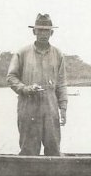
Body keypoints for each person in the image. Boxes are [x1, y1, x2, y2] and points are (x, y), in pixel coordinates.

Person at [6, 13, 68, 156]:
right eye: (39, 30)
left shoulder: (58, 54)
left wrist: (63, 108)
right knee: (28, 150)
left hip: (50, 108)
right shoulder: (22, 53)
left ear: (51, 32)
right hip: (28, 107)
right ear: (34, 31)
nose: (43, 34)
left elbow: (62, 83)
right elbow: (11, 77)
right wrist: (26, 89)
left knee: (53, 150)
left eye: (46, 30)